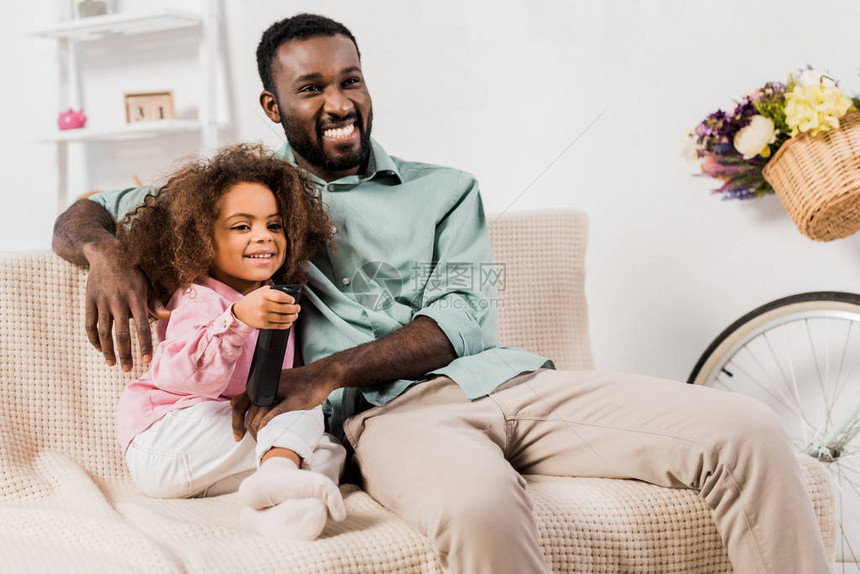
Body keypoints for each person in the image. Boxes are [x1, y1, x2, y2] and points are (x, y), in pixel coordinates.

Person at [53, 13, 830, 574]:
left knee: (747, 431)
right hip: (391, 420)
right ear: (272, 105)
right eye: (311, 87)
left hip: (510, 382)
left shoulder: (446, 192)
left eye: (350, 79)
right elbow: (79, 214)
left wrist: (323, 371)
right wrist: (103, 255)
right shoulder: (250, 200)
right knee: (479, 507)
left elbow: (463, 318)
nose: (337, 102)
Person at [112, 143, 346, 540]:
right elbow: (191, 378)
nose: (264, 237)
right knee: (300, 414)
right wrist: (237, 319)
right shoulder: (198, 297)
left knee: (326, 446)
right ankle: (277, 475)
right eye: (242, 226)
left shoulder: (278, 295)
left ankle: (272, 508)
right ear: (203, 238)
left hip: (218, 453)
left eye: (274, 225)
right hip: (167, 438)